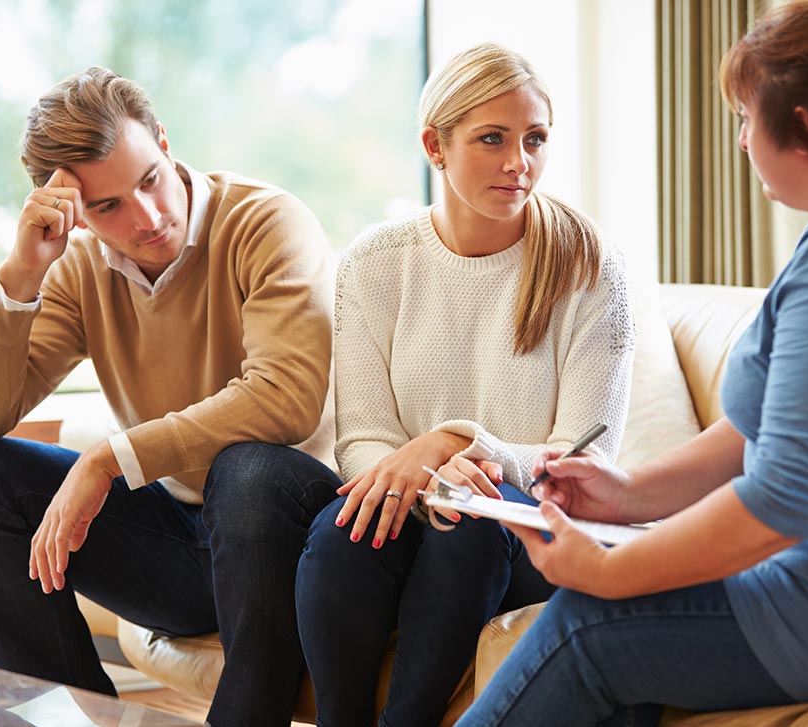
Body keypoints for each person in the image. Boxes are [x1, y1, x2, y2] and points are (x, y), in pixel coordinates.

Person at [456, 2, 808, 726]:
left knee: (588, 626)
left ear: (803, 125)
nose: (741, 139)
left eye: (747, 118)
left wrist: (611, 568)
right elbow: (770, 430)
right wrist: (628, 494)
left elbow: (784, 498)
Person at [293, 43, 635, 727]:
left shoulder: (589, 266)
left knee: (470, 519)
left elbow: (584, 456)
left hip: (534, 529)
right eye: (492, 139)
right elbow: (362, 440)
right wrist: (429, 473)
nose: (519, 163)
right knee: (341, 532)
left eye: (535, 139)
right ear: (435, 146)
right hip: (419, 506)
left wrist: (461, 448)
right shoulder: (374, 262)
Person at [0, 67, 342, 727]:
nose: (149, 217)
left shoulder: (265, 221)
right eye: (107, 207)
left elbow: (286, 396)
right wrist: (22, 275)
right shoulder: (77, 268)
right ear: (71, 210)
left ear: (162, 139)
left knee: (245, 467)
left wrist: (108, 459)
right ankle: (69, 719)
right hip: (185, 544)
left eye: (149, 179)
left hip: (298, 536)